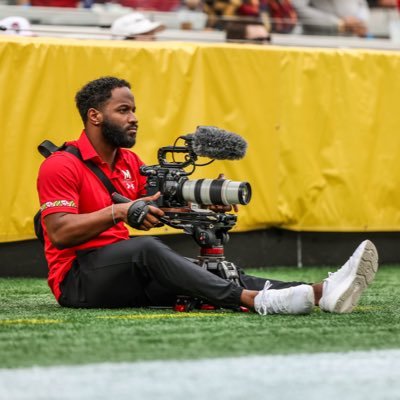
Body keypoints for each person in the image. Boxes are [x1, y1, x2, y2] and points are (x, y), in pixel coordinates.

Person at [37, 76, 379, 315]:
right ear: (94, 116)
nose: (134, 118)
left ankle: (320, 292)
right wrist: (119, 213)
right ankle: (252, 301)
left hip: (124, 270)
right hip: (79, 281)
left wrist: (200, 202)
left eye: (134, 110)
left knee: (207, 271)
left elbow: (157, 208)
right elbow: (59, 232)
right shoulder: (61, 165)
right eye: (123, 110)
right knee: (147, 249)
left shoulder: (129, 162)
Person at [291, 0, 370, 37]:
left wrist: (361, 21)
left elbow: (362, 3)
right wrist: (338, 23)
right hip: (320, 42)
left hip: (352, 41)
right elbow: (298, 7)